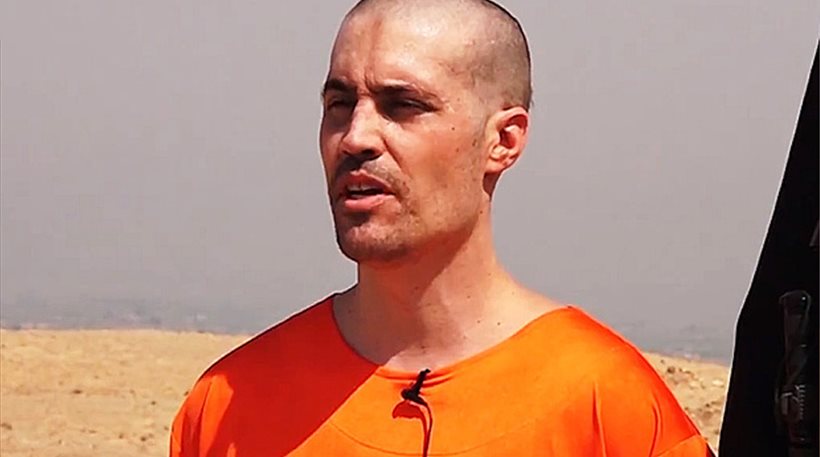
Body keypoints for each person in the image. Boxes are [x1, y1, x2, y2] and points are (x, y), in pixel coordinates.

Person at [170, 0, 714, 455]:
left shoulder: (606, 406)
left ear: (503, 141)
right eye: (340, 104)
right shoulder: (227, 407)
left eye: (402, 105)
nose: (356, 137)